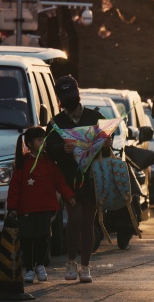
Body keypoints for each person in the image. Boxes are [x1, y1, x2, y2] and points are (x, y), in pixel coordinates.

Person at [45, 75, 111, 283]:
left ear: (78, 94)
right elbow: (48, 148)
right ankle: (71, 261)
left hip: (91, 177)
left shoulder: (94, 117)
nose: (70, 100)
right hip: (69, 178)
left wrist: (108, 144)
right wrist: (61, 149)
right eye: (65, 97)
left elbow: (106, 145)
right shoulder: (56, 122)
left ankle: (85, 266)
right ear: (60, 99)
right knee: (74, 218)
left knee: (88, 222)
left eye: (72, 95)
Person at [7, 126, 77, 283]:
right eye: (39, 140)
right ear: (30, 143)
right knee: (27, 239)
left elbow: (60, 181)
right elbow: (14, 187)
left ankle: (40, 265)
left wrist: (69, 195)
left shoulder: (49, 162)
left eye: (44, 139)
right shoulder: (22, 163)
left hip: (45, 208)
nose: (43, 143)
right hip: (26, 208)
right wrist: (12, 208)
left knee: (43, 238)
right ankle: (30, 269)